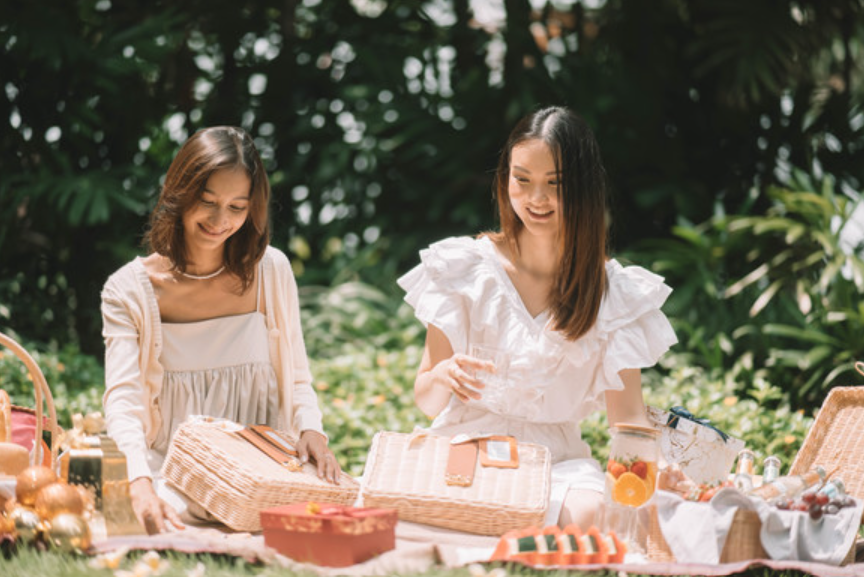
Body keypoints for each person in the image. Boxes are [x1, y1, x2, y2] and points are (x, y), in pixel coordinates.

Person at [397, 106, 678, 530]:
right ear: (505, 177)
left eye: (555, 183)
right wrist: (443, 376)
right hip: (465, 448)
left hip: (556, 462)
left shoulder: (613, 294)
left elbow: (628, 419)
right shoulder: (463, 269)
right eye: (522, 180)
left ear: (584, 188)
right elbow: (426, 398)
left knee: (588, 516)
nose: (536, 199)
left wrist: (648, 477)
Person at [101, 126, 340, 534]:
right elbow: (123, 401)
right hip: (177, 473)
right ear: (179, 194)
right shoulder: (128, 290)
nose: (219, 220)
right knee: (172, 516)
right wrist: (138, 482)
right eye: (207, 201)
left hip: (266, 468)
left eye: (236, 207)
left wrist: (311, 428)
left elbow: (298, 377)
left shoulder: (272, 271)